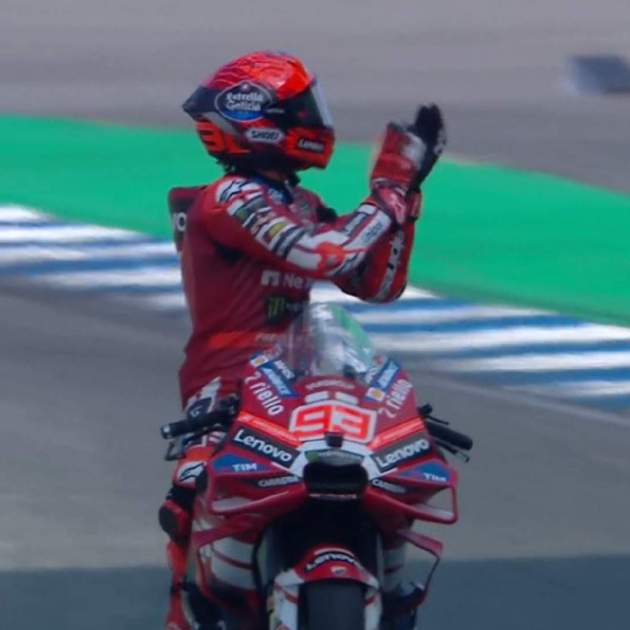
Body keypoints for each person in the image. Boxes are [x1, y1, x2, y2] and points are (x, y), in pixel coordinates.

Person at [159, 50, 446, 630]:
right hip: (227, 385)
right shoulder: (232, 198)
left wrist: (408, 196)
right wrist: (388, 192)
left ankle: (391, 592)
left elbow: (377, 282)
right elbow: (324, 254)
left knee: (384, 473)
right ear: (257, 120)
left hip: (300, 377)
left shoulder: (300, 202)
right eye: (301, 109)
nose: (316, 121)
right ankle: (186, 615)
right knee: (191, 490)